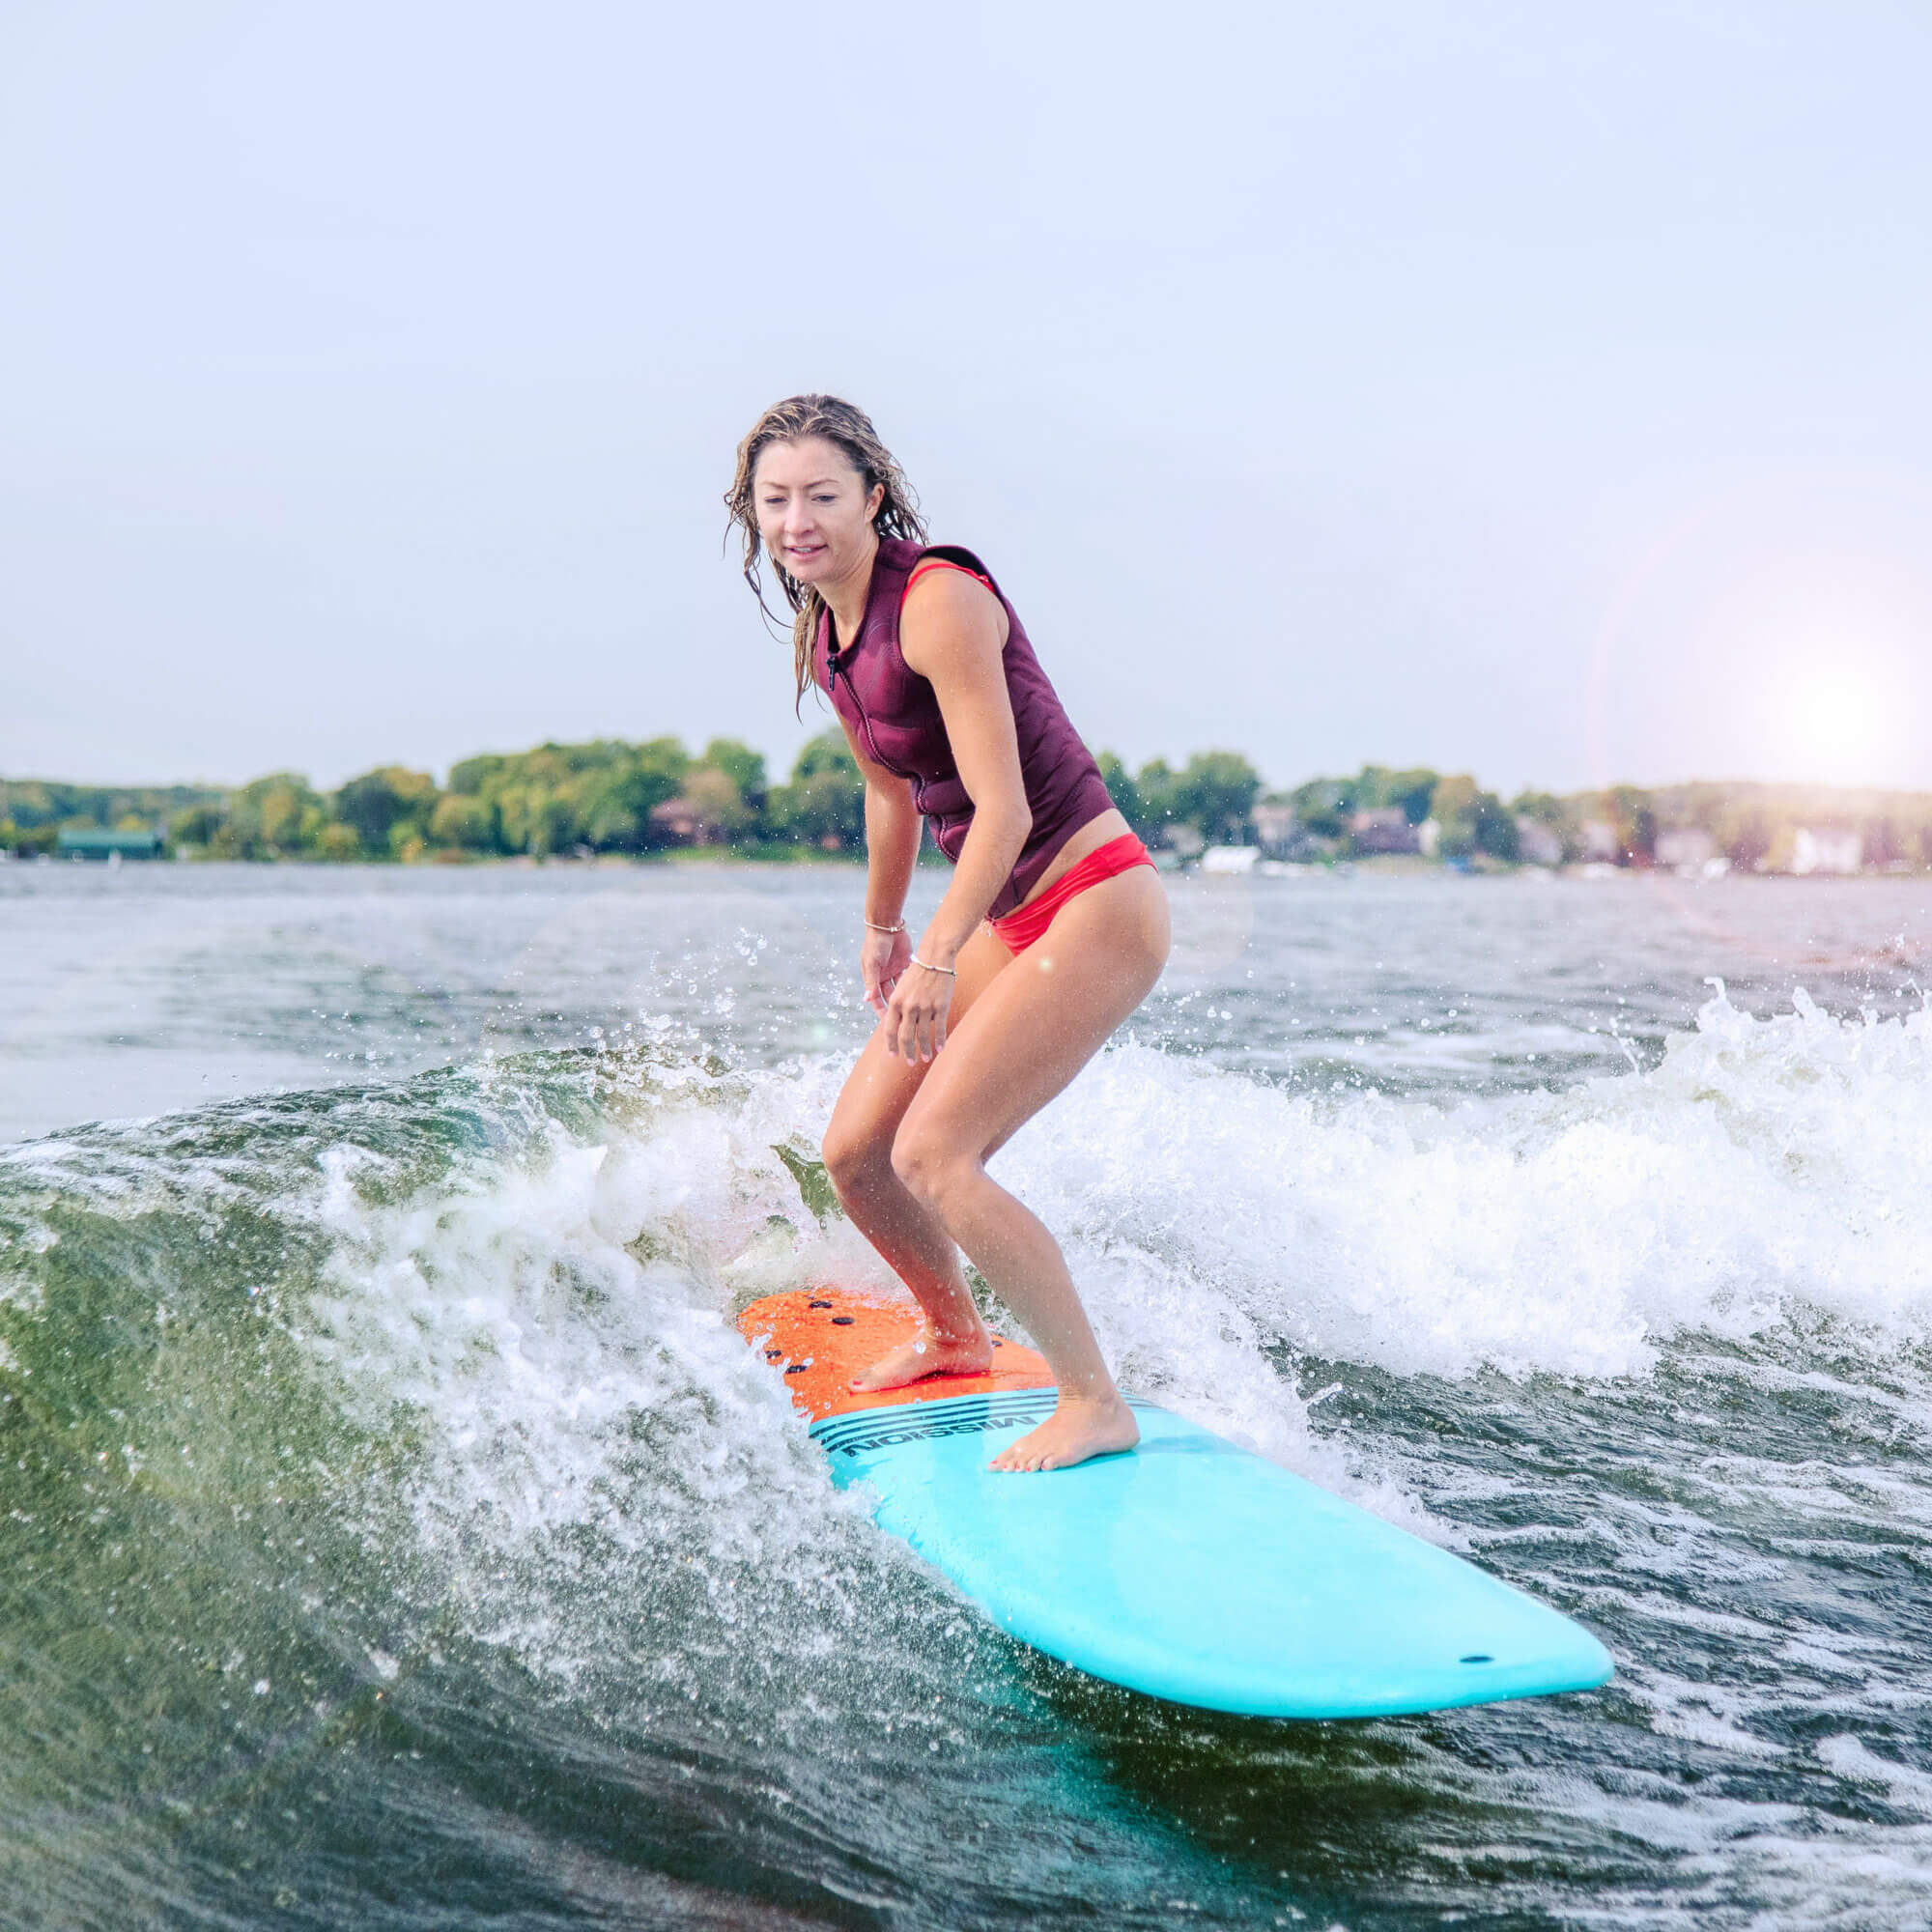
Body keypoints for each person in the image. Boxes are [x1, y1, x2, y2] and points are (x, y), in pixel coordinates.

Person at [724, 395, 1170, 1472]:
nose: (798, 519)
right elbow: (890, 793)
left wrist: (933, 954)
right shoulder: (824, 629)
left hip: (1093, 897)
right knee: (856, 1155)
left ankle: (1092, 1398)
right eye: (775, 499)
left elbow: (1004, 810)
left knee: (936, 1152)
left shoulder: (937, 601)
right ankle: (954, 1332)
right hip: (1006, 912)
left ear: (872, 497)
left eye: (822, 495)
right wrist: (881, 924)